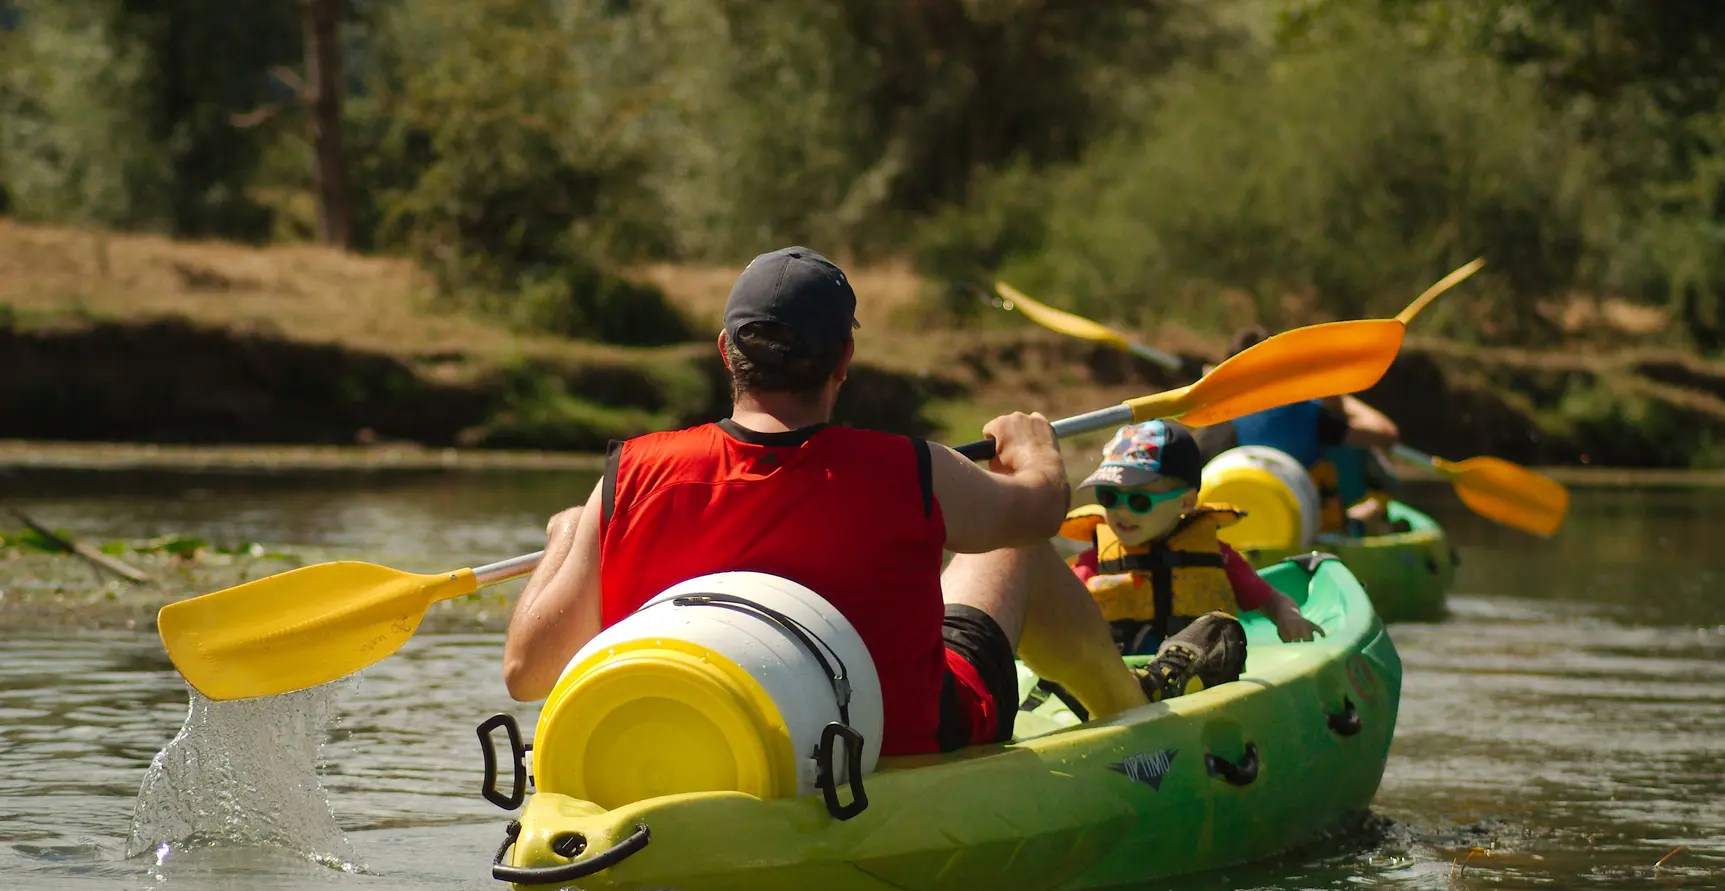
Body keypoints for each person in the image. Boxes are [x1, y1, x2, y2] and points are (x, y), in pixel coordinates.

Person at [500, 246, 1149, 758]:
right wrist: (1033, 450)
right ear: (845, 358)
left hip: (694, 742)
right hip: (899, 745)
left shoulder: (630, 477)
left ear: (727, 352)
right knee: (1022, 549)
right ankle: (1137, 717)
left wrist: (569, 535)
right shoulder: (912, 469)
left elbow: (526, 672)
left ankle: (1133, 709)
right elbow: (1037, 511)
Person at [1059, 421, 1323, 699]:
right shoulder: (1095, 560)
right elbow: (1055, 607)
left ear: (1185, 502)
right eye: (1109, 497)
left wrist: (1287, 616)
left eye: (1138, 501)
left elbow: (1270, 599)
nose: (1120, 512)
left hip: (1194, 687)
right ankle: (1135, 689)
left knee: (1219, 627)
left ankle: (1154, 686)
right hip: (1116, 680)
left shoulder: (1217, 556)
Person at [1196, 326, 1403, 536]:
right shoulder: (1308, 414)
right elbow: (1386, 433)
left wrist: (1213, 389)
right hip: (1307, 530)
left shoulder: (1213, 421)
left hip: (1234, 533)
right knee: (1364, 470)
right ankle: (1363, 519)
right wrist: (1331, 395)